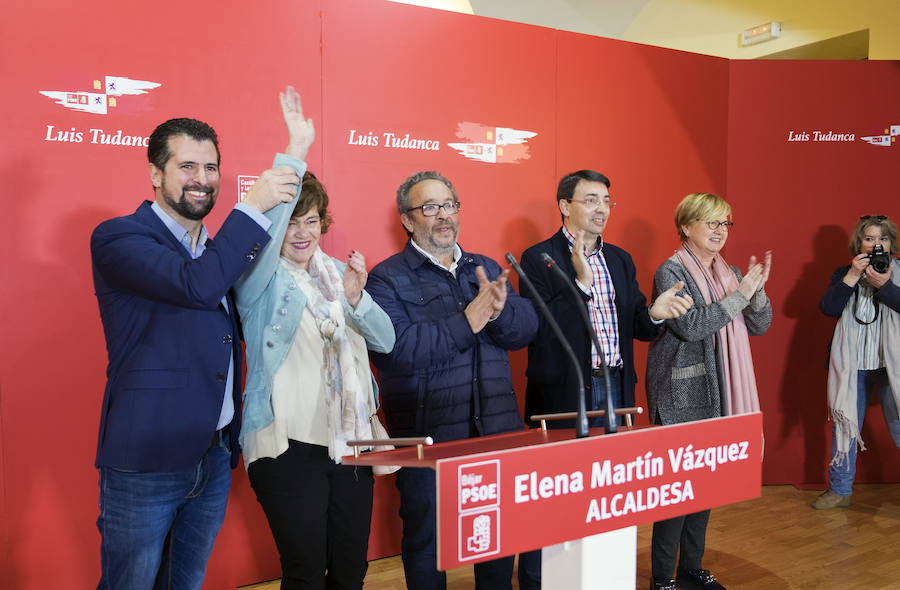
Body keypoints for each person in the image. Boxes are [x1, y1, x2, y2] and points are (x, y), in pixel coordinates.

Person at [91, 117, 300, 588]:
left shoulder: (215, 249)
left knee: (184, 582)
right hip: (147, 460)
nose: (203, 179)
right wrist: (252, 206)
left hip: (213, 456)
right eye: (187, 166)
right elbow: (196, 285)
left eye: (211, 167)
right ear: (155, 173)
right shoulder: (119, 237)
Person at [232, 87, 395, 589]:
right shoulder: (258, 278)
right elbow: (268, 225)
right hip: (286, 446)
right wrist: (296, 150)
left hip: (350, 444)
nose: (301, 234)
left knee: (351, 568)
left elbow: (386, 341)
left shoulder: (335, 273)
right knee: (304, 570)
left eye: (311, 222)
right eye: (291, 224)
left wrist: (354, 300)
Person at [517, 170, 692, 588]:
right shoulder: (538, 257)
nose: (602, 209)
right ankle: (538, 581)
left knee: (606, 491)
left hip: (615, 387)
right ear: (564, 206)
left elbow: (635, 322)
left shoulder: (620, 259)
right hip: (565, 391)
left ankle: (595, 576)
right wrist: (580, 281)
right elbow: (540, 327)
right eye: (591, 200)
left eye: (607, 201)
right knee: (553, 495)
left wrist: (654, 314)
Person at [366, 171, 538, 590]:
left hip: (496, 432)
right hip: (428, 441)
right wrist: (469, 320)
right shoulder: (385, 278)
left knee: (496, 541)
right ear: (407, 219)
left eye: (449, 205)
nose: (443, 216)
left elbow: (525, 330)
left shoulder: (485, 267)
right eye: (429, 207)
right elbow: (397, 352)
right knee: (427, 545)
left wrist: (499, 312)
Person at [645, 192, 772, 590]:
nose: (719, 231)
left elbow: (760, 325)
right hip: (681, 393)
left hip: (720, 393)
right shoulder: (671, 271)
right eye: (710, 222)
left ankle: (692, 568)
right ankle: (663, 577)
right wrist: (741, 295)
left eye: (725, 223)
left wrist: (758, 292)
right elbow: (691, 326)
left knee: (705, 487)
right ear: (686, 226)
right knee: (676, 492)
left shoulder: (730, 271)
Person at [812, 215, 900, 510]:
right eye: (870, 239)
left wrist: (885, 286)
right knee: (846, 425)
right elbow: (828, 308)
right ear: (859, 244)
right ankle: (840, 489)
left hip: (892, 364)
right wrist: (852, 276)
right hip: (853, 363)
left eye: (883, 239)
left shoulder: (898, 270)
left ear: (891, 243)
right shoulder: (844, 272)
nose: (878, 245)